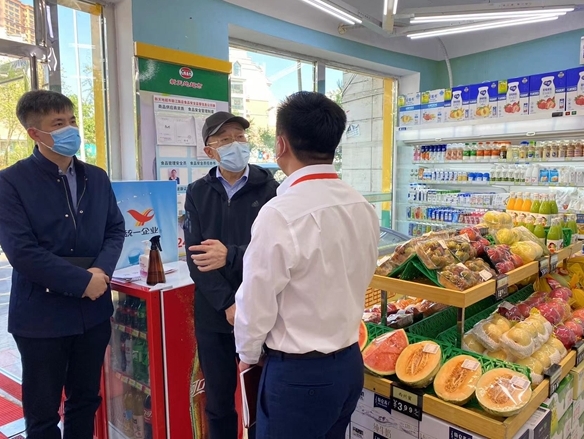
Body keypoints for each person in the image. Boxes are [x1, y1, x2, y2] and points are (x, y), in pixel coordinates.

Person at [234, 91, 379, 438]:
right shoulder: (362, 206)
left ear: (281, 144)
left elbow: (256, 300)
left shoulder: (280, 213)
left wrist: (247, 355)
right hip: (349, 364)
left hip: (298, 378)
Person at [0, 90, 125, 439]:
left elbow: (115, 228)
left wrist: (101, 272)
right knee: (42, 412)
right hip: (41, 316)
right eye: (58, 123)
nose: (71, 129)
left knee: (85, 400)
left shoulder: (96, 177)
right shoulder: (10, 182)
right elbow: (22, 251)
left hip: (93, 312)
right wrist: (82, 281)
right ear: (34, 133)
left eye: (71, 120)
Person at [183, 111, 278, 439]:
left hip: (261, 308)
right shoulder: (197, 192)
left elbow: (275, 251)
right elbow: (196, 258)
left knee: (262, 396)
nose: (235, 144)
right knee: (218, 401)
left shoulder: (270, 189)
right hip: (214, 314)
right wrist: (227, 303)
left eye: (239, 137)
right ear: (210, 151)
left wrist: (230, 254)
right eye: (225, 140)